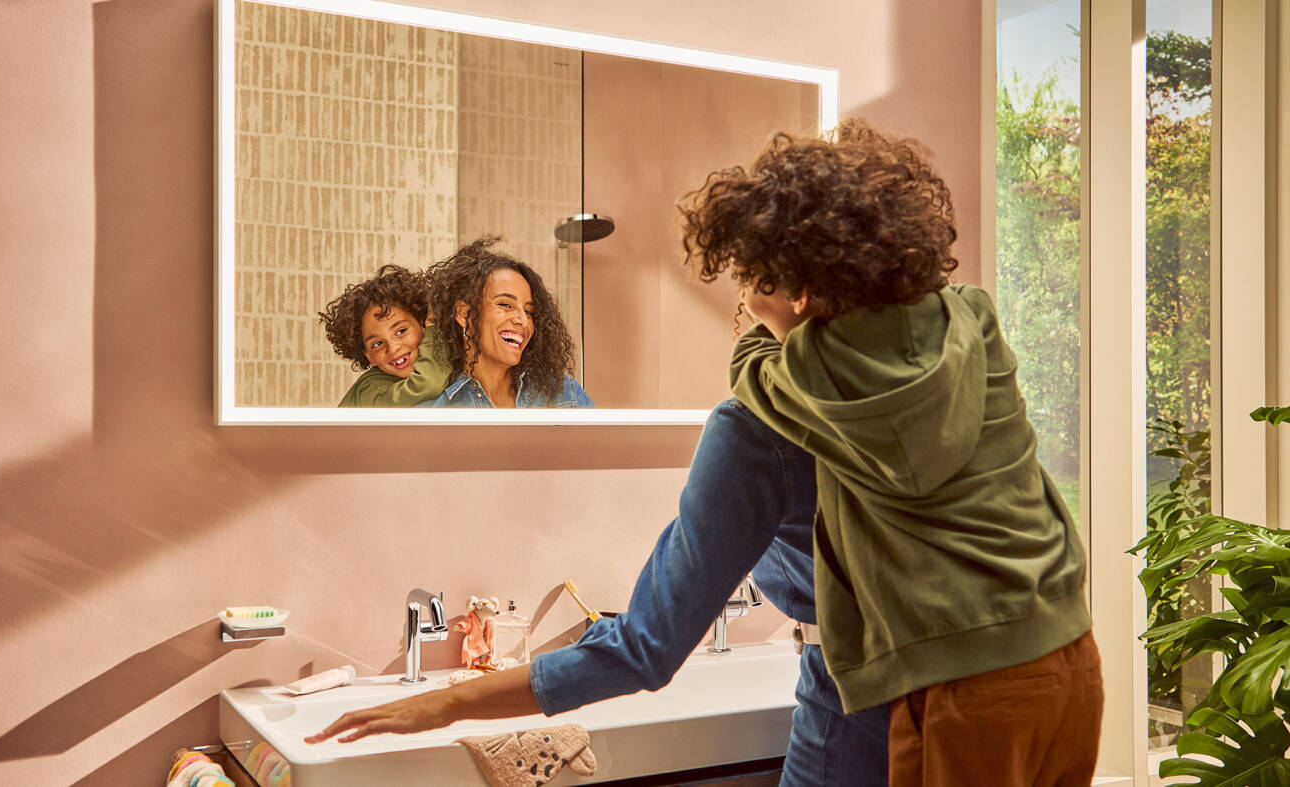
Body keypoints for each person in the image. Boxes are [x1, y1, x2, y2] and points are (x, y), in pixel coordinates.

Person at [684, 120, 1102, 786]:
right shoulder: (972, 317)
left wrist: (768, 317)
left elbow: (752, 368)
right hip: (1065, 653)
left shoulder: (807, 383)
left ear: (795, 284)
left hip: (957, 686)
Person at [307, 392, 889, 786]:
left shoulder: (766, 422)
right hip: (974, 694)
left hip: (859, 699)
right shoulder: (960, 373)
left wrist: (446, 703)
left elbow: (643, 648)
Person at [420, 237, 593, 409]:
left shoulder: (565, 393)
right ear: (464, 314)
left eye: (529, 312)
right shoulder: (436, 411)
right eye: (505, 305)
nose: (523, 320)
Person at [317, 264, 451, 408]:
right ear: (369, 356)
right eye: (377, 344)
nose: (393, 348)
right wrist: (435, 329)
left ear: (422, 325)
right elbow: (428, 383)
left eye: (401, 331)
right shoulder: (371, 388)